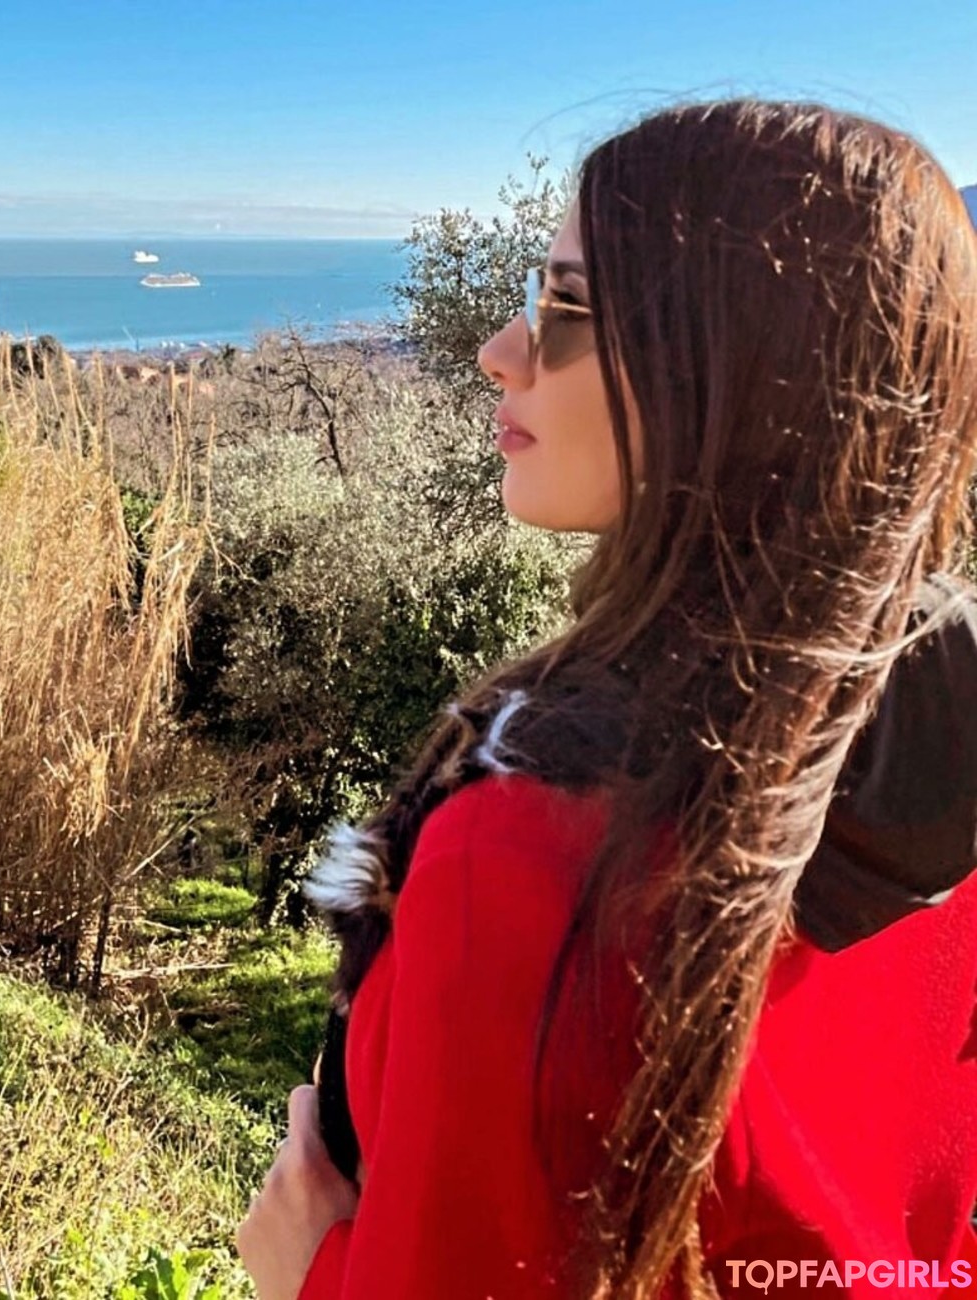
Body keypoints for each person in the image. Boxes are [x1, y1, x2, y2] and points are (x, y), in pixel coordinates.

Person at [236, 100, 977, 1298]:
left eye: (568, 306)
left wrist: (309, 1271)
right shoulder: (939, 748)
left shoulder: (523, 856)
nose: (501, 350)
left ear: (736, 373)